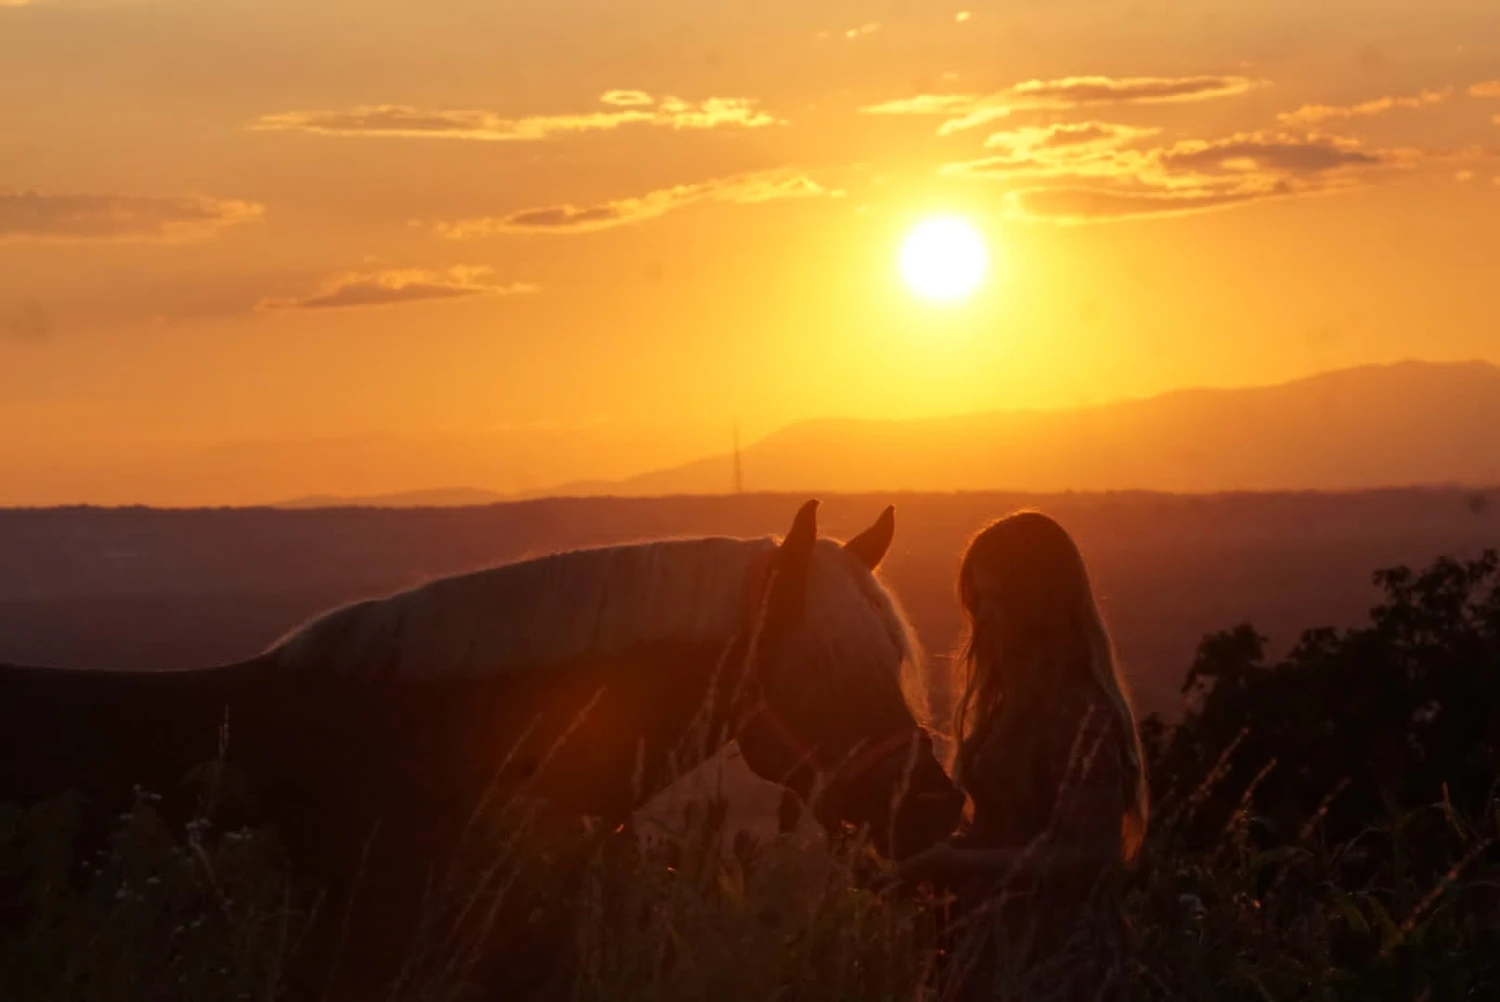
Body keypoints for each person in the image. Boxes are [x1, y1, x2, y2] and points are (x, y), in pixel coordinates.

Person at [894, 511, 1149, 1001]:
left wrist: (958, 863)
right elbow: (1006, 833)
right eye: (978, 601)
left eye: (998, 599)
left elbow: (1088, 859)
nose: (983, 616)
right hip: (994, 954)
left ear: (1040, 604)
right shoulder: (1012, 702)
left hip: (1060, 968)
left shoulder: (1080, 711)